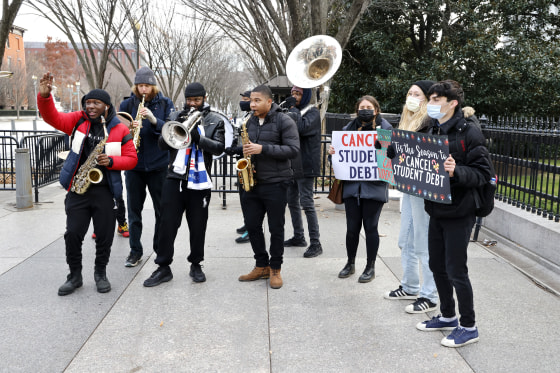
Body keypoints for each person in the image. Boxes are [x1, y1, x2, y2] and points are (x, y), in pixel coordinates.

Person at [37, 73, 138, 296]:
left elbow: (132, 159)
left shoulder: (118, 129)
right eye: (88, 103)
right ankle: (74, 276)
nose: (91, 106)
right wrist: (45, 97)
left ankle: (100, 274)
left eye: (96, 103)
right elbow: (52, 117)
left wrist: (112, 161)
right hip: (78, 188)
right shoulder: (77, 120)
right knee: (72, 234)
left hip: (105, 190)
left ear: (106, 106)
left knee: (104, 236)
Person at [416, 80, 492, 348]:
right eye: (431, 99)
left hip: (461, 210)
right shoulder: (430, 128)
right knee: (437, 266)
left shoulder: (469, 132)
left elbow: (484, 174)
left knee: (456, 270)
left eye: (436, 99)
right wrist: (397, 152)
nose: (431, 104)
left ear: (453, 103)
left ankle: (469, 326)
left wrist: (455, 171)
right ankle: (448, 315)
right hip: (436, 207)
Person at [143, 82, 225, 286]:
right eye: (189, 100)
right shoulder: (174, 116)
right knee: (167, 225)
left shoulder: (215, 120)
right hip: (174, 178)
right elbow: (162, 145)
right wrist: (172, 126)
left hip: (200, 182)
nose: (193, 104)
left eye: (196, 100)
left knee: (198, 226)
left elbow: (219, 148)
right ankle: (163, 267)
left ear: (204, 98)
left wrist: (198, 138)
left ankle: (196, 264)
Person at [383, 80, 439, 313]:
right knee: (405, 240)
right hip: (408, 188)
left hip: (424, 192)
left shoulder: (431, 122)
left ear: (427, 98)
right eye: (410, 93)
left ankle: (430, 295)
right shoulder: (406, 121)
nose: (412, 97)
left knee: (423, 243)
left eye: (418, 94)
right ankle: (409, 285)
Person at [236, 85, 299, 289]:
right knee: (252, 226)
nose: (252, 104)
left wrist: (262, 149)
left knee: (276, 228)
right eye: (251, 101)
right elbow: (245, 147)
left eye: (256, 101)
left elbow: (293, 150)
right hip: (252, 182)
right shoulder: (248, 121)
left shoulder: (284, 120)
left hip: (276, 183)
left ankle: (275, 268)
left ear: (269, 101)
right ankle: (261, 265)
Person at [328, 95, 392, 283]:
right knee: (351, 228)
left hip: (374, 188)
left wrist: (384, 149)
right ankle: (350, 263)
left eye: (368, 107)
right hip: (352, 188)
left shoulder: (386, 129)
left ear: (376, 110)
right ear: (357, 110)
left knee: (371, 227)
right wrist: (333, 154)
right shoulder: (347, 130)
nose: (365, 110)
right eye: (361, 107)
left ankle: (370, 266)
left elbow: (390, 160)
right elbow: (338, 161)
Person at [119, 67, 175, 267]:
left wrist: (153, 120)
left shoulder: (166, 103)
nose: (144, 90)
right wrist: (128, 128)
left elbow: (171, 130)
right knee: (134, 211)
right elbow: (118, 131)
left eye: (147, 86)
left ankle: (159, 249)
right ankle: (135, 251)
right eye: (140, 86)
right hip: (133, 166)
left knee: (162, 210)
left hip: (159, 165)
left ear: (153, 86)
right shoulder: (127, 103)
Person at [283, 86, 323, 258]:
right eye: (293, 93)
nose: (295, 96)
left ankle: (316, 243)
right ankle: (299, 236)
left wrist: (292, 110)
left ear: (305, 95)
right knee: (291, 201)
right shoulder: (294, 110)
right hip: (292, 162)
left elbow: (300, 128)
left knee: (306, 203)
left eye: (298, 94)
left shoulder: (313, 112)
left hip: (306, 164)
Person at [227, 90, 252, 244]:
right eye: (242, 99)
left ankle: (251, 230)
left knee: (248, 198)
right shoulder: (246, 116)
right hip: (242, 160)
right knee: (243, 197)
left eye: (246, 99)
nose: (243, 102)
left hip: (249, 162)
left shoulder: (253, 118)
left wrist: (237, 149)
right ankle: (247, 223)